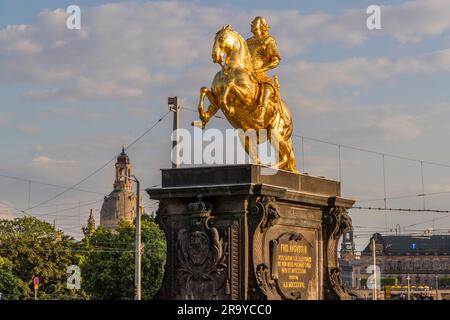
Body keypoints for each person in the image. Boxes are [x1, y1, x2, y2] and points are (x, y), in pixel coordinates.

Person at [246, 16, 281, 126]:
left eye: (254, 22)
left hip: (260, 74)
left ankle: (261, 113)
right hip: (246, 72)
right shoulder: (247, 42)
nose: (251, 24)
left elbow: (275, 60)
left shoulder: (268, 41)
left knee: (267, 88)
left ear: (261, 26)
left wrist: (261, 69)